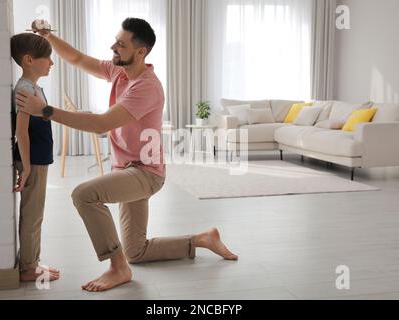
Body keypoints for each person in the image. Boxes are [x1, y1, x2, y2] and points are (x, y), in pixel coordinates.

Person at [16, 18, 237, 292]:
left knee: (84, 195)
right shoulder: (120, 71)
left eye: (121, 44)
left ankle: (118, 268)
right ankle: (201, 239)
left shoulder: (146, 87)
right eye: (115, 41)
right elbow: (76, 57)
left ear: (140, 52)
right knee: (137, 251)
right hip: (127, 170)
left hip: (145, 172)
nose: (113, 47)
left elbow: (100, 123)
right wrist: (48, 36)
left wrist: (45, 110)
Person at [10, 33, 60, 282]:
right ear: (29, 60)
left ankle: (32, 262)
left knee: (36, 213)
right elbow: (22, 131)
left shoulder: (33, 88)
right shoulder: (24, 90)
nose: (51, 62)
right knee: (32, 214)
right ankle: (29, 268)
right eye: (47, 57)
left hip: (39, 159)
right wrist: (26, 166)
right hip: (34, 162)